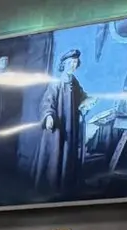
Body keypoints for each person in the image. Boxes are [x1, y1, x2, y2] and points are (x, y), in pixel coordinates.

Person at [32, 49, 89, 198]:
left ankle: (65, 186)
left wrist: (87, 102)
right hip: (57, 126)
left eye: (75, 63)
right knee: (55, 153)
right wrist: (48, 116)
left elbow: (82, 97)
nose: (73, 65)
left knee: (67, 154)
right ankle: (50, 187)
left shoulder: (74, 82)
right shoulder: (56, 83)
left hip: (71, 126)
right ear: (64, 64)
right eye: (70, 62)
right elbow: (47, 102)